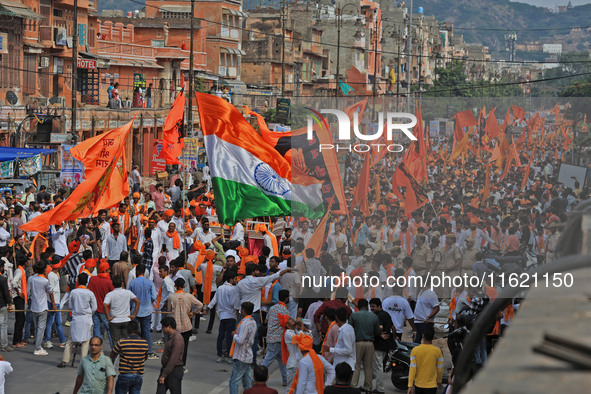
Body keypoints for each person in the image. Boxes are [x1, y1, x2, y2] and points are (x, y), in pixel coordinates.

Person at [58, 273, 98, 368]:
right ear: (86, 281)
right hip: (86, 319)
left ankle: (64, 360)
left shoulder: (73, 292)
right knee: (86, 341)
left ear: (78, 281)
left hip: (76, 318)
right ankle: (83, 363)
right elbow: (94, 307)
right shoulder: (90, 293)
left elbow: (71, 306)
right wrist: (88, 313)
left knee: (70, 340)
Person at [203, 270, 240, 364]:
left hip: (222, 315)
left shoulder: (220, 288)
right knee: (229, 336)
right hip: (231, 315)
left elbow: (213, 301)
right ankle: (228, 356)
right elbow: (234, 304)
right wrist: (238, 311)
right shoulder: (233, 289)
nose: (236, 280)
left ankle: (219, 355)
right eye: (235, 278)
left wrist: (206, 309)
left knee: (220, 336)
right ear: (231, 279)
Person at [167, 277, 203, 371]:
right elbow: (200, 305)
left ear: (175, 286)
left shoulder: (171, 297)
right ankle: (181, 366)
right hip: (186, 326)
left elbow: (169, 310)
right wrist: (194, 313)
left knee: (173, 346)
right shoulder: (189, 296)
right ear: (184, 286)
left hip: (174, 327)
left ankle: (172, 364)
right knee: (184, 347)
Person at [349, 298, 380, 392]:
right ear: (367, 306)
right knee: (368, 366)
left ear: (358, 306)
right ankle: (368, 387)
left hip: (358, 343)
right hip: (370, 343)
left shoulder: (354, 315)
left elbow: (350, 329)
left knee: (357, 366)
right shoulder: (374, 316)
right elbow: (377, 332)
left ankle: (353, 386)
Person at [110, 320, 149, 394]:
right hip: (138, 375)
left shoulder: (122, 342)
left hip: (125, 375)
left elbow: (112, 354)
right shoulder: (144, 343)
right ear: (137, 330)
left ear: (127, 331)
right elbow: (145, 357)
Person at [128, 263, 158, 359]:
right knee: (146, 331)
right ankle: (149, 351)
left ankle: (135, 350)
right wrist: (149, 302)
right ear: (144, 272)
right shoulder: (149, 282)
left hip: (135, 311)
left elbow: (129, 296)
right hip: (146, 310)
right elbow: (154, 296)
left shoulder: (133, 282)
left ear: (137, 271)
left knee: (135, 331)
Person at [260, 289, 289, 386]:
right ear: (286, 298)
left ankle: (286, 380)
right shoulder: (285, 310)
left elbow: (266, 321)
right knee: (267, 361)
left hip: (271, 337)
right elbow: (288, 324)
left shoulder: (272, 308)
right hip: (277, 339)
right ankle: (256, 377)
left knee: (282, 361)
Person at [28, 261, 56, 356]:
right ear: (44, 270)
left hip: (34, 306)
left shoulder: (31, 279)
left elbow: (29, 292)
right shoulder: (45, 281)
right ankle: (38, 348)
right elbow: (51, 292)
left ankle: (38, 345)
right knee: (40, 328)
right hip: (42, 307)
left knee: (37, 327)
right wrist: (54, 304)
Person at [229, 302, 257, 394]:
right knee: (247, 382)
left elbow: (240, 340)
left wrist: (234, 335)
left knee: (234, 382)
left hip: (241, 356)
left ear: (243, 310)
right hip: (247, 355)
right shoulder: (253, 322)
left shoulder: (245, 323)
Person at [104, 276, 140, 346]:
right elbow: (137, 301)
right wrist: (134, 314)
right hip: (126, 320)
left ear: (113, 284)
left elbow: (105, 305)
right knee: (127, 342)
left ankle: (117, 356)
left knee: (116, 343)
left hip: (115, 321)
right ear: (122, 283)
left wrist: (108, 317)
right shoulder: (128, 292)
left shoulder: (110, 294)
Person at [407, 326, 444, 394]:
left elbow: (412, 369)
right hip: (432, 386)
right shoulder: (438, 351)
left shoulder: (415, 350)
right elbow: (440, 369)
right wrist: (439, 381)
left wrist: (410, 385)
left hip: (418, 385)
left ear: (423, 336)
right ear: (433, 337)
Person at [88, 260, 115, 349]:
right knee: (109, 329)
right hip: (105, 310)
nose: (109, 271)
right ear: (104, 271)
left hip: (94, 309)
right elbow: (113, 294)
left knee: (96, 329)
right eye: (108, 270)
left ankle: (97, 349)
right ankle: (113, 348)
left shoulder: (93, 279)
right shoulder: (108, 282)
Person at [369, 298, 394, 394]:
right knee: (376, 366)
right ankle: (367, 384)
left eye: (373, 306)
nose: (371, 308)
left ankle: (380, 388)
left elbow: (380, 328)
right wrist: (394, 337)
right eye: (370, 306)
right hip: (386, 344)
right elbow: (392, 327)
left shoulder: (378, 316)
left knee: (378, 367)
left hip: (379, 344)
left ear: (379, 306)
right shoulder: (386, 314)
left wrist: (379, 334)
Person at [157, 317, 185, 394]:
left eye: (163, 327)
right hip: (166, 370)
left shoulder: (177, 339)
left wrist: (164, 375)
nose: (162, 329)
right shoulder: (171, 337)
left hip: (174, 371)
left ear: (169, 327)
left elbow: (173, 359)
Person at [0, 259, 12, 352]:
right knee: (3, 325)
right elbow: (6, 293)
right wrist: (10, 304)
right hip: (1, 304)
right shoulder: (2, 279)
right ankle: (4, 345)